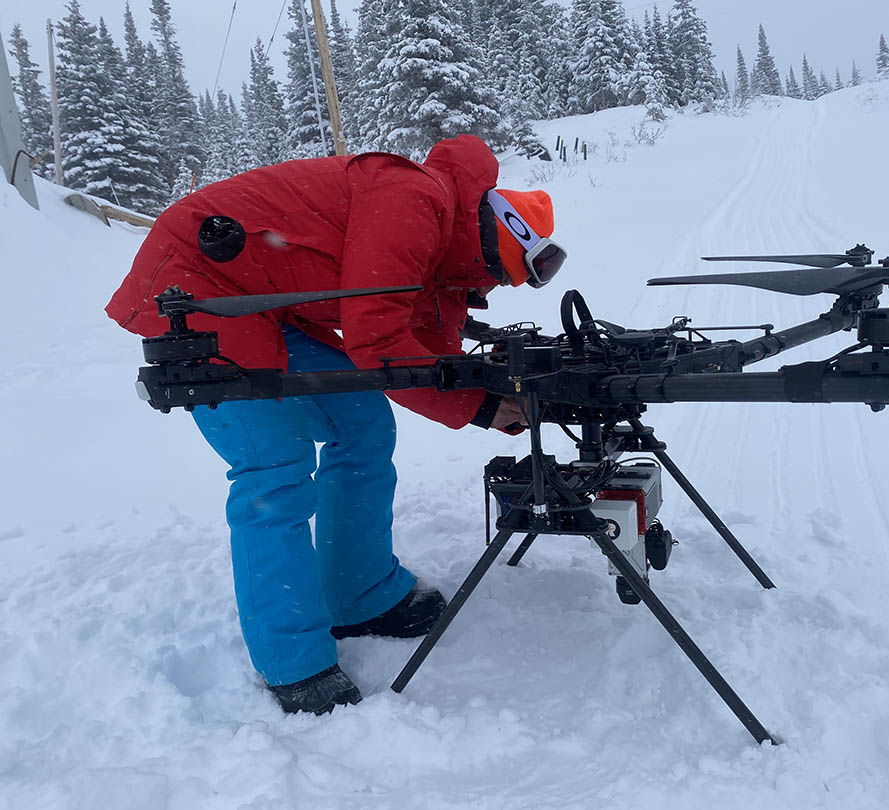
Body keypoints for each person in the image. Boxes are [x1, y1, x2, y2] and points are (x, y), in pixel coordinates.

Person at [104, 135, 566, 715]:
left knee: (362, 424)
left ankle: (360, 594)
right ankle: (293, 661)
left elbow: (430, 347)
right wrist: (475, 406)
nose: (491, 288)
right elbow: (378, 338)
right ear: (489, 241)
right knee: (274, 463)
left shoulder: (444, 251)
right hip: (200, 289)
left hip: (270, 301)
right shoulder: (415, 199)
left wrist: (495, 390)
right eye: (496, 275)